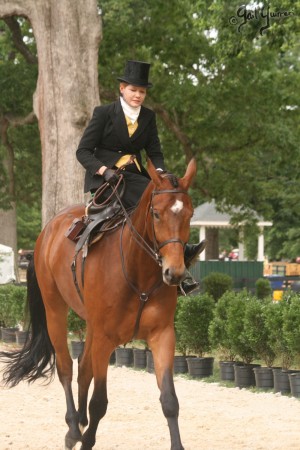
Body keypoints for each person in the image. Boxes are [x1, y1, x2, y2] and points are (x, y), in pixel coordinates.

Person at [76, 60, 205, 292]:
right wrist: (105, 171)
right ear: (122, 89)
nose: (138, 95)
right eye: (133, 90)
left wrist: (164, 175)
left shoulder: (148, 117)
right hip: (107, 178)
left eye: (142, 91)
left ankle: (179, 263)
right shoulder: (104, 113)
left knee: (167, 202)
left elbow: (154, 152)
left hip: (135, 176)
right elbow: (83, 151)